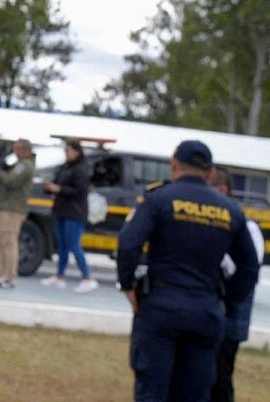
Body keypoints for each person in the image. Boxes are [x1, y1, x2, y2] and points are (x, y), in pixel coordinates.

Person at [117, 140, 259, 402]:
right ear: (210, 172)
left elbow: (128, 244)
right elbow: (249, 266)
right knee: (195, 394)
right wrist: (227, 300)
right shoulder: (230, 210)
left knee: (152, 392)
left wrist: (128, 286)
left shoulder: (158, 199)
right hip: (205, 310)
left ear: (174, 165)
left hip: (160, 307)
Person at [208, 168, 264, 402]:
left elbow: (244, 272)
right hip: (214, 314)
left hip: (230, 317)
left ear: (222, 190)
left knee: (220, 380)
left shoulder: (246, 227)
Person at [40, 138, 98, 292]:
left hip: (74, 212)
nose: (66, 153)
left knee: (74, 245)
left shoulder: (81, 169)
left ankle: (87, 277)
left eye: (68, 150)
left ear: (77, 152)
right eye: (65, 150)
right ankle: (60, 276)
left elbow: (80, 191)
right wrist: (49, 187)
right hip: (61, 210)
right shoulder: (65, 167)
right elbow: (57, 182)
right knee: (62, 246)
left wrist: (59, 189)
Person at [0, 139, 35, 289]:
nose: (15, 152)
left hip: (13, 209)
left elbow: (11, 181)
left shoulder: (25, 165)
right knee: (0, 240)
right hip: (7, 206)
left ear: (25, 150)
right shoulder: (19, 164)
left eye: (18, 148)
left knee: (9, 242)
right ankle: (1, 273)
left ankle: (10, 276)